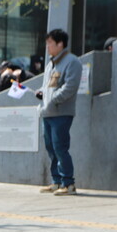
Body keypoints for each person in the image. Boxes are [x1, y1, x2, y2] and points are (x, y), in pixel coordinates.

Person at [35, 28, 82, 196]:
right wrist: (41, 93)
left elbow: (70, 87)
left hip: (61, 113)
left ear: (60, 44)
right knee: (50, 147)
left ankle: (68, 183)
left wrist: (52, 99)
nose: (47, 46)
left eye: (50, 43)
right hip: (48, 113)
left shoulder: (72, 62)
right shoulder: (51, 63)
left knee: (60, 147)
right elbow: (48, 86)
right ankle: (56, 181)